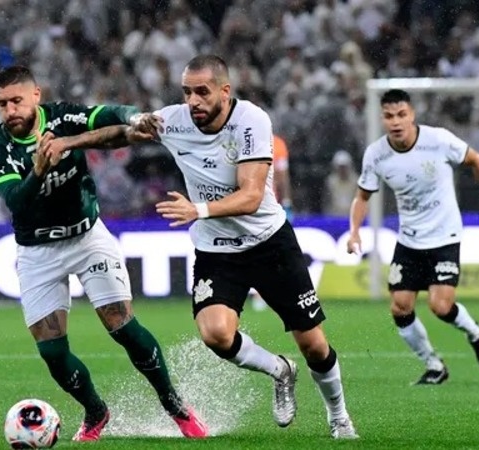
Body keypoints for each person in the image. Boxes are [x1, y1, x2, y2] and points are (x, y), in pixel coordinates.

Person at [111, 54, 357, 439]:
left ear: (225, 91)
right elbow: (118, 134)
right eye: (187, 92)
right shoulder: (173, 120)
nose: (192, 100)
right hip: (218, 250)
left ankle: (338, 415)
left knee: (313, 344)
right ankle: (279, 369)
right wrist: (68, 142)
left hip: (270, 243)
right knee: (216, 334)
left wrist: (198, 209)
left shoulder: (252, 121)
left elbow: (252, 197)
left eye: (202, 92)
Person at [0, 65, 207, 442]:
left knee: (122, 327)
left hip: (87, 238)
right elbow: (17, 203)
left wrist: (134, 116)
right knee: (53, 354)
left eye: (16, 101)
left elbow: (106, 116)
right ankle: (96, 412)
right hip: (37, 251)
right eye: (2, 104)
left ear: (36, 95)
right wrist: (36, 171)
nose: (10, 111)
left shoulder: (63, 117)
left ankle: (175, 406)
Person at [347, 89, 479, 385]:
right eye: (389, 116)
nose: (395, 122)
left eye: (401, 115)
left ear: (412, 115)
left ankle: (475, 334)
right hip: (409, 240)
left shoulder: (439, 140)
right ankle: (434, 365)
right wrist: (354, 232)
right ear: (382, 119)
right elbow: (362, 196)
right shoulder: (376, 154)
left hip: (445, 236)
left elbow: (477, 161)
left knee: (440, 306)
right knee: (400, 306)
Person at [250, 133, 293, 311]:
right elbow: (282, 176)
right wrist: (288, 201)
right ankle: (268, 293)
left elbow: (282, 176)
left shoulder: (238, 137)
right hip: (262, 205)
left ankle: (261, 293)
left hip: (257, 205)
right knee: (270, 251)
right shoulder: (276, 143)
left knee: (260, 251)